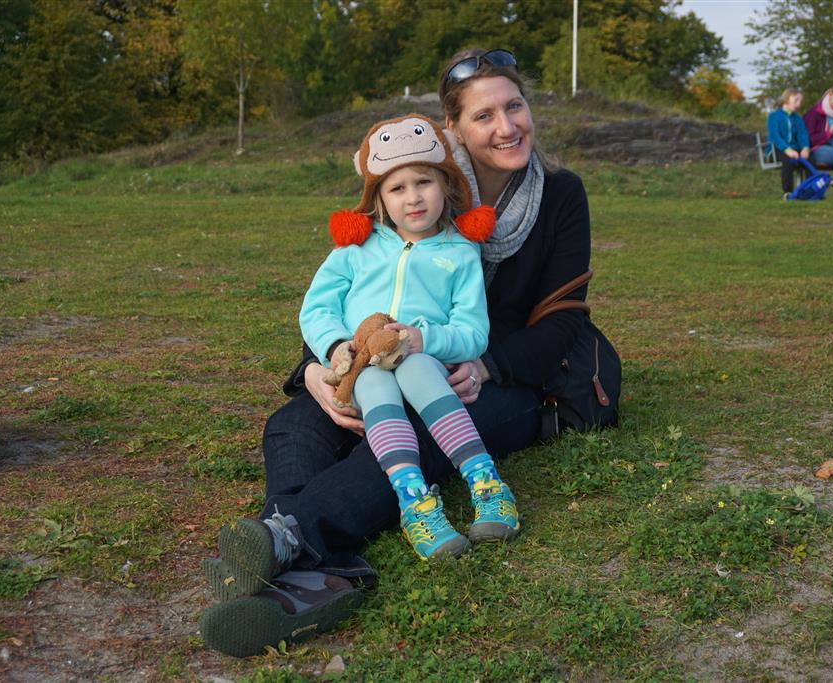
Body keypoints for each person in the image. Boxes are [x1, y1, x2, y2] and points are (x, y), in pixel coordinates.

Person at [199, 47, 611, 657]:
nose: (506, 127)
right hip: (386, 363)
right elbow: (357, 296)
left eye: (515, 106)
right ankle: (314, 571)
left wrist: (486, 366)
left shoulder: (558, 194)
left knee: (417, 438)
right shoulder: (415, 181)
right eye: (484, 116)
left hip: (503, 376)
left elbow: (563, 318)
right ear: (454, 130)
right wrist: (316, 370)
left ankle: (293, 541)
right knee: (295, 425)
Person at [299, 114, 520, 562]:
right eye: (397, 188)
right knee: (373, 383)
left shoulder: (460, 251)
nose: (413, 197)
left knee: (416, 368)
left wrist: (424, 339)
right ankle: (414, 502)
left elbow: (473, 332)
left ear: (446, 185)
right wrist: (336, 346)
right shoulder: (355, 249)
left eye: (424, 182)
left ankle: (486, 484)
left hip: (424, 363)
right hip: (363, 363)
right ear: (379, 198)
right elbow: (316, 308)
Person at [767, 88, 811, 199]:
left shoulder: (798, 118)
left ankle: (810, 190)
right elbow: (775, 136)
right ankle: (788, 192)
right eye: (796, 100)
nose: (799, 104)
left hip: (795, 150)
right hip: (776, 149)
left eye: (800, 101)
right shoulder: (774, 116)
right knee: (788, 160)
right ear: (786, 100)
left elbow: (802, 135)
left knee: (811, 160)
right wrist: (787, 149)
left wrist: (805, 148)